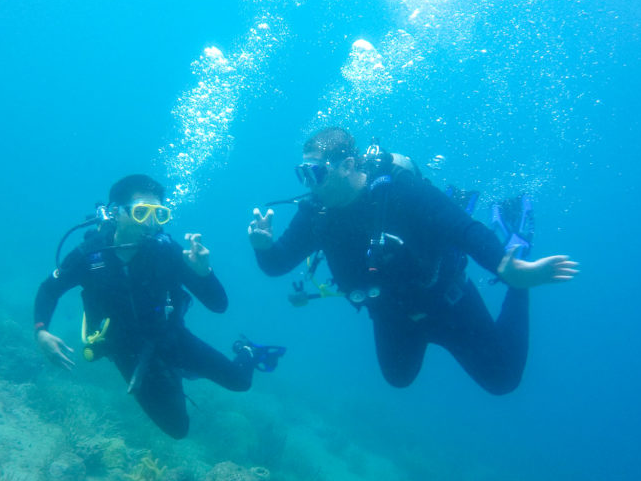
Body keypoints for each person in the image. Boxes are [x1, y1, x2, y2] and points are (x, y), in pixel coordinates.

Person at [247, 128, 577, 394]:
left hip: (448, 303)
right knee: (398, 378)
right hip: (391, 315)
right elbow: (277, 265)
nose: (308, 185)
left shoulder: (401, 191)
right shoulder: (316, 214)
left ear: (347, 165)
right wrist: (263, 247)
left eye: (315, 173)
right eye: (302, 174)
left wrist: (507, 269)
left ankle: (519, 277)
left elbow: (464, 229)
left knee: (503, 381)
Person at [35, 174, 284, 439]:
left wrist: (204, 273)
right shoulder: (90, 254)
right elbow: (49, 289)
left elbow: (218, 305)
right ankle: (174, 372)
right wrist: (41, 331)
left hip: (171, 338)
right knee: (177, 429)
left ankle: (246, 350)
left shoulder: (166, 252)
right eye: (141, 212)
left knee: (241, 382)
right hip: (125, 349)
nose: (151, 223)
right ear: (116, 213)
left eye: (159, 214)